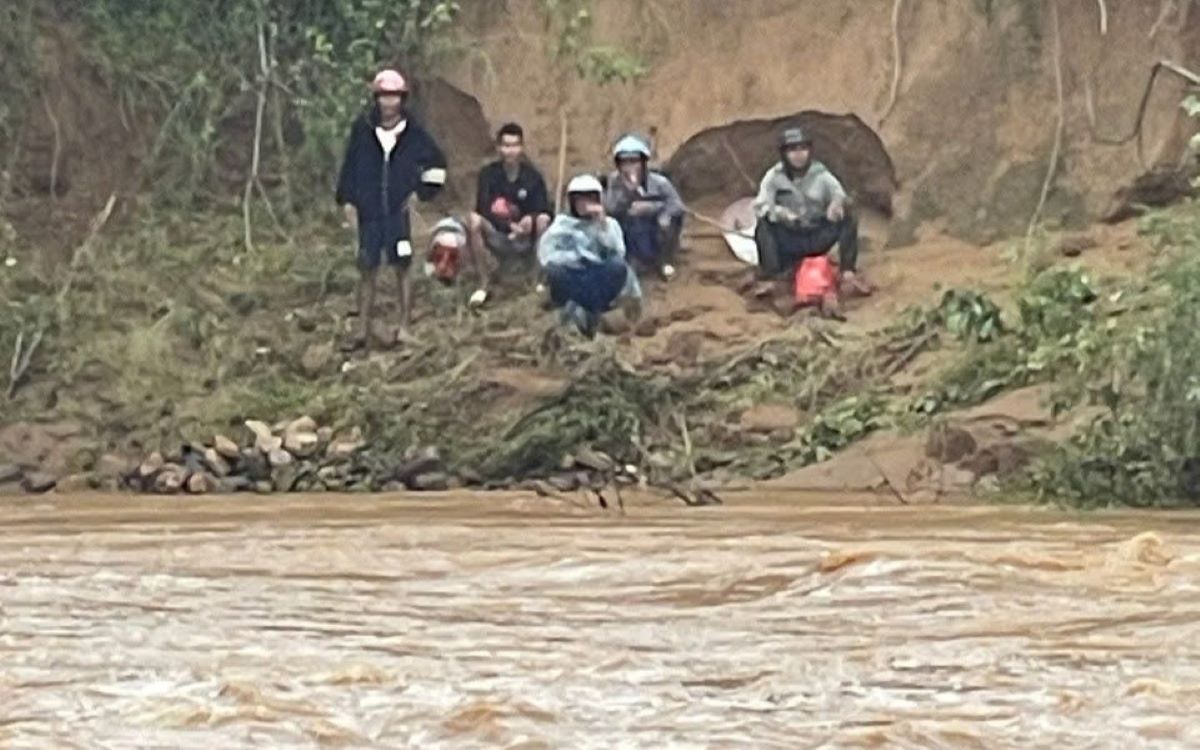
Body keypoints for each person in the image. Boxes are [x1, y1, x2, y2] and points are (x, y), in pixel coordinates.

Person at [335, 68, 447, 348]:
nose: (389, 103)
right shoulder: (362, 129)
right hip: (369, 212)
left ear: (402, 99)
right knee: (367, 268)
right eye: (384, 97)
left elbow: (437, 166)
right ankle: (362, 329)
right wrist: (347, 201)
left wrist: (420, 195)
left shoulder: (414, 134)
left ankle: (405, 327)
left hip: (398, 213)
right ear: (376, 99)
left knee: (402, 268)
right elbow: (349, 167)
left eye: (394, 96)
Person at [752, 126, 872, 298]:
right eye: (793, 150)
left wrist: (836, 205)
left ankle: (847, 273)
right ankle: (772, 278)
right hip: (789, 238)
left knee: (849, 217)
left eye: (803, 149)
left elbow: (839, 194)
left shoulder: (821, 174)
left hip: (816, 235)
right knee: (763, 225)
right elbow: (760, 205)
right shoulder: (773, 177)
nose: (799, 154)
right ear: (784, 154)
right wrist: (780, 213)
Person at [538, 174, 642, 338]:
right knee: (555, 272)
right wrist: (574, 259)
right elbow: (546, 255)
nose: (585, 203)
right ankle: (579, 311)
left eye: (590, 198)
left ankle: (596, 312)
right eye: (580, 199)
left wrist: (602, 225)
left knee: (617, 266)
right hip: (573, 274)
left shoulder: (610, 224)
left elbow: (618, 251)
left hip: (599, 274)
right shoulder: (560, 225)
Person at [466, 122, 553, 304]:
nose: (510, 151)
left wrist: (531, 219)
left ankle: (537, 280)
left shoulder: (533, 177)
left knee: (543, 221)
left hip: (524, 238)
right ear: (499, 148)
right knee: (473, 220)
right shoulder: (488, 174)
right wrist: (508, 225)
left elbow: (545, 209)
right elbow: (482, 207)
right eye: (506, 146)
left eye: (515, 145)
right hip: (497, 233)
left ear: (521, 148)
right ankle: (483, 284)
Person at [603, 133, 685, 280]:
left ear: (643, 162)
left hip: (655, 226)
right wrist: (628, 194)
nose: (629, 167)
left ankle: (665, 261)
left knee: (671, 222)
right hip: (630, 227)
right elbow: (610, 208)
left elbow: (677, 204)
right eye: (624, 162)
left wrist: (658, 210)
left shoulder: (660, 183)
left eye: (634, 161)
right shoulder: (615, 181)